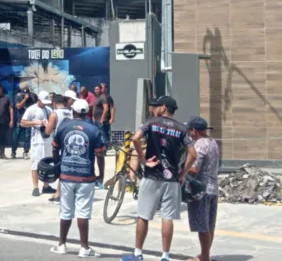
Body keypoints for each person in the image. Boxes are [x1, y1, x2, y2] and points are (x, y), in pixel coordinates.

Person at [121, 96, 197, 261]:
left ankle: (138, 253)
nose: (154, 109)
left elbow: (135, 138)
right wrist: (183, 173)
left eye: (157, 106)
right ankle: (165, 256)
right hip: (172, 178)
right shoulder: (181, 128)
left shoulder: (152, 123)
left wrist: (143, 159)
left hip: (152, 175)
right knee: (167, 217)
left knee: (143, 215)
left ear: (163, 107)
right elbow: (193, 154)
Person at [50, 98, 105, 257]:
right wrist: (101, 174)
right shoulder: (93, 130)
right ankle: (84, 248)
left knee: (65, 211)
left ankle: (61, 245)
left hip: (66, 175)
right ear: (87, 113)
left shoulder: (64, 127)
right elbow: (100, 154)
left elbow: (55, 148)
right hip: (86, 176)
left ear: (73, 111)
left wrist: (57, 164)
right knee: (83, 213)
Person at [185, 117, 219, 261]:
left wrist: (182, 172)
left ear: (194, 131)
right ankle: (205, 254)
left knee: (202, 226)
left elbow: (194, 169)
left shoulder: (199, 145)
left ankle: (205, 257)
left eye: (189, 130)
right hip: (214, 188)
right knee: (210, 225)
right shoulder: (213, 143)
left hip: (201, 190)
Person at [21, 90, 57, 197]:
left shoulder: (49, 110)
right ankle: (35, 187)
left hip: (48, 140)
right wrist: (37, 122)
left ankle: (46, 186)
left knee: (47, 164)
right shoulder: (31, 109)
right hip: (37, 141)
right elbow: (23, 122)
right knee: (36, 163)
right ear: (39, 100)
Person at [48, 94, 74, 203]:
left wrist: (46, 126)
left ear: (54, 103)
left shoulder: (55, 113)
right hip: (70, 142)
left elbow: (48, 131)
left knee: (60, 169)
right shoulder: (71, 112)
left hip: (59, 143)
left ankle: (59, 194)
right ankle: (59, 192)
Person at [92, 84, 110, 189]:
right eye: (95, 89)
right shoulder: (97, 98)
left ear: (101, 89)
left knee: (102, 138)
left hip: (100, 122)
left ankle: (104, 150)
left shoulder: (102, 97)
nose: (96, 90)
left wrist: (102, 118)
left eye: (97, 88)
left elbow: (106, 107)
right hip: (96, 122)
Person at [13, 85, 37, 159]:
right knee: (16, 136)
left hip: (29, 120)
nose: (26, 95)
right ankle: (13, 151)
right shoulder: (18, 96)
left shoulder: (33, 96)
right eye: (24, 93)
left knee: (27, 137)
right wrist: (25, 99)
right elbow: (18, 106)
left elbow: (36, 106)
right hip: (20, 119)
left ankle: (26, 152)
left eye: (27, 94)